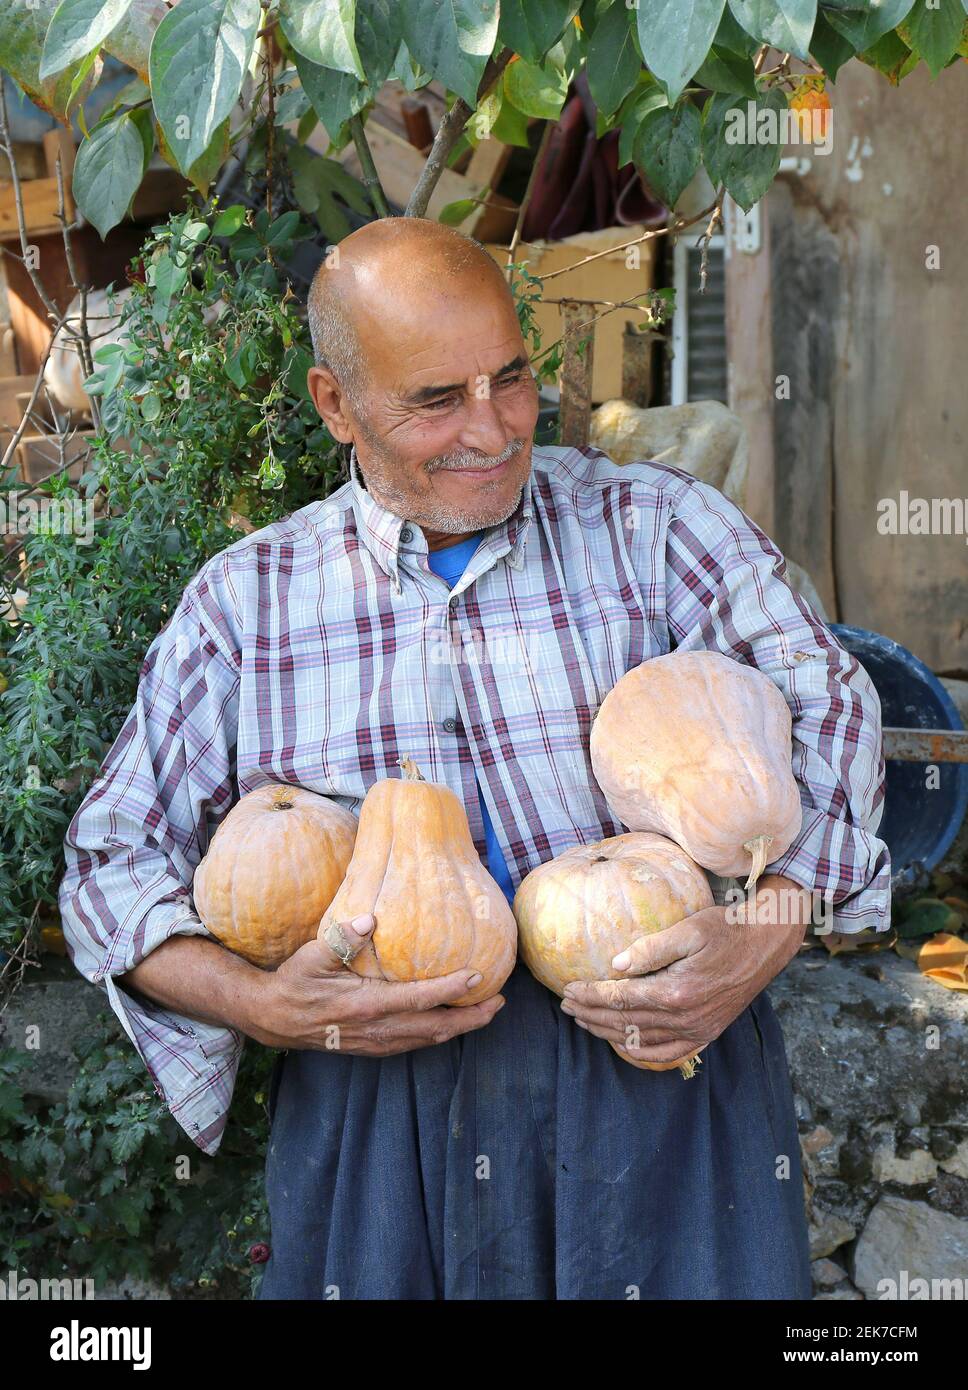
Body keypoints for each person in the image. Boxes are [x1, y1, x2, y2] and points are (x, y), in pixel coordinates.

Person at [59, 217, 890, 1300]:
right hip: (381, 1111)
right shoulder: (247, 605)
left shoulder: (658, 528)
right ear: (334, 404)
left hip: (669, 1070)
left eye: (508, 378)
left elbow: (832, 709)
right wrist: (263, 1007)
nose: (494, 429)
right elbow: (108, 868)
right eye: (436, 400)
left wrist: (762, 932)